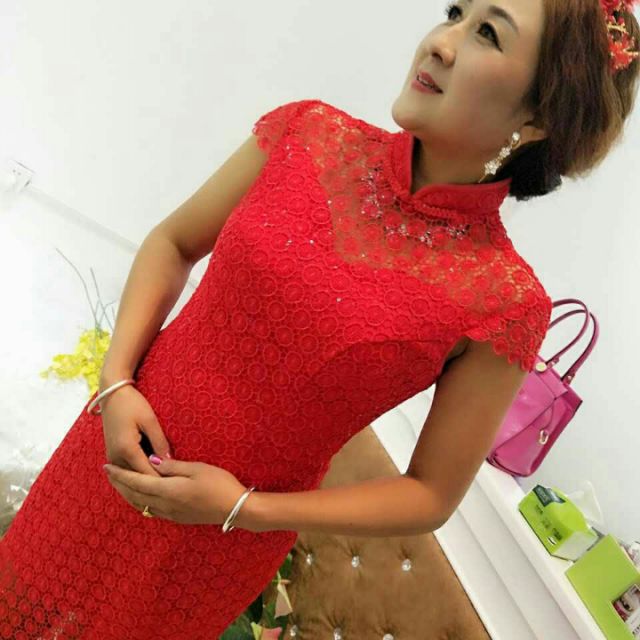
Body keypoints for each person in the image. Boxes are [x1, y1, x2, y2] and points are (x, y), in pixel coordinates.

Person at [1, 0, 639, 637]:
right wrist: (116, 383)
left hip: (214, 539)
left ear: (539, 116)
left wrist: (243, 508)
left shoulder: (504, 302)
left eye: (488, 34)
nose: (441, 42)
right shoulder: (307, 134)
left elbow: (429, 494)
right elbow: (174, 243)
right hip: (109, 448)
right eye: (454, 12)